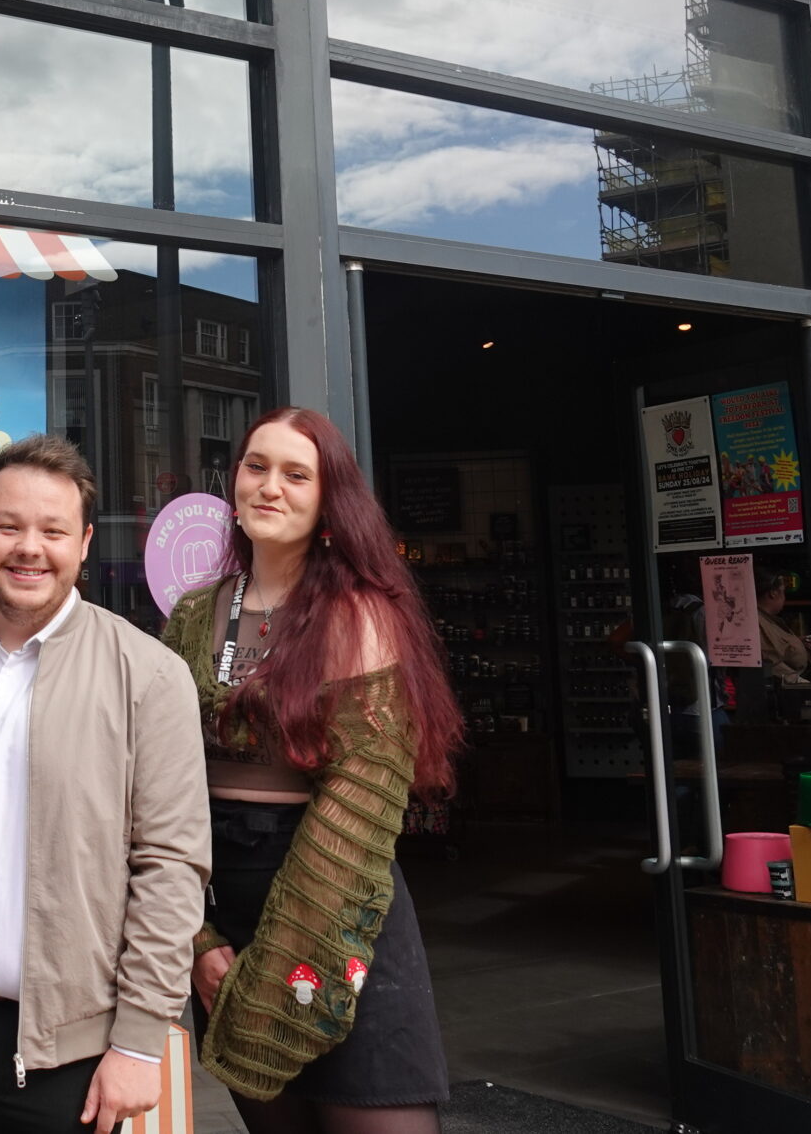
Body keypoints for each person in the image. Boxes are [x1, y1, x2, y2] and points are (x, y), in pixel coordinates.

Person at [0, 434, 210, 1134]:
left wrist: (140, 1039)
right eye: (8, 525)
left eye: (53, 529)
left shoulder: (147, 675)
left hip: (68, 1056)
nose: (30, 546)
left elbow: (171, 866)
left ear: (84, 541)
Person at [160, 408, 463, 1133]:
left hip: (337, 896)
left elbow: (359, 808)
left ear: (331, 500)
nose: (269, 486)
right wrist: (198, 939)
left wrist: (277, 967)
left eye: (297, 473)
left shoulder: (360, 615)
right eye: (256, 465)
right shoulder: (196, 615)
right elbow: (157, 790)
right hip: (222, 903)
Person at [757, 569, 811, 686]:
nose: (784, 597)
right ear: (773, 593)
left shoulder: (769, 619)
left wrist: (797, 643)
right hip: (783, 687)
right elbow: (770, 661)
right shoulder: (758, 621)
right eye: (783, 591)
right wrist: (799, 683)